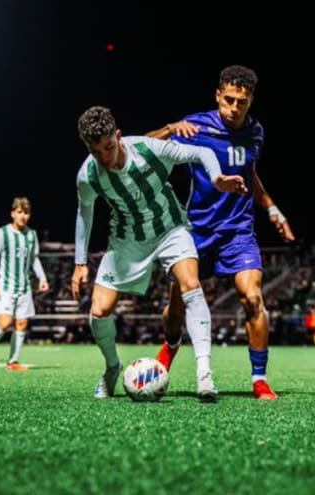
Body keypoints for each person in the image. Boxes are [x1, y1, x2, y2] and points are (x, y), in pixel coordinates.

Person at [71, 105, 247, 401]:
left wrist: (217, 178)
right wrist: (79, 262)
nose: (104, 157)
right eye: (95, 150)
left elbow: (200, 153)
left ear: (118, 136)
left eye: (108, 147)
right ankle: (112, 368)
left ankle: (204, 374)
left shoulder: (147, 149)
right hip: (127, 239)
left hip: (169, 229)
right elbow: (84, 213)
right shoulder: (88, 175)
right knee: (99, 310)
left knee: (191, 285)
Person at [146, 64, 295, 400]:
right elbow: (142, 146)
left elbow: (250, 173)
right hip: (195, 229)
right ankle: (171, 345)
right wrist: (170, 129)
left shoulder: (255, 132)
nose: (233, 107)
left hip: (237, 230)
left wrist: (272, 209)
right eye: (228, 99)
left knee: (253, 298)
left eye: (241, 101)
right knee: (176, 308)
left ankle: (258, 378)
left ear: (251, 100)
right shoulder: (196, 125)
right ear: (217, 95)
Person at [0, 197, 49, 371]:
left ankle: (13, 362)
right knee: (4, 322)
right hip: (6, 287)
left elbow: (33, 259)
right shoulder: (3, 233)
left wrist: (42, 278)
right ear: (12, 214)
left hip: (24, 287)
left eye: (26, 212)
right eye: (19, 212)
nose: (23, 216)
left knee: (21, 324)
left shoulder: (32, 235)